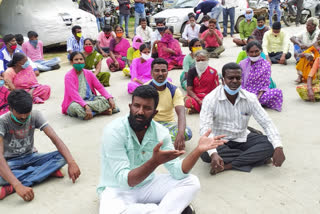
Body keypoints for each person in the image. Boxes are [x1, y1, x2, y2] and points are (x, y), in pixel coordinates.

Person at [97, 84, 226, 214]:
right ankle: (166, 209)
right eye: (137, 106)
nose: (140, 111)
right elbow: (124, 180)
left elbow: (177, 171)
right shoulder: (114, 131)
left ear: (155, 112)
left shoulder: (161, 132)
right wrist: (154, 162)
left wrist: (198, 150)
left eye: (147, 108)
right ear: (130, 107)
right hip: (117, 189)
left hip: (147, 184)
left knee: (192, 182)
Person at [200, 62, 286, 175]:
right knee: (205, 155)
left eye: (238, 78)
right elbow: (205, 129)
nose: (235, 81)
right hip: (219, 140)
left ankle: (227, 166)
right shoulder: (210, 99)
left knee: (270, 145)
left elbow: (266, 122)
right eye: (230, 78)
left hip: (242, 136)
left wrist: (278, 147)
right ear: (223, 80)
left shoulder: (250, 98)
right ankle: (256, 158)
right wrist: (214, 153)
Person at [0, 89, 81, 201]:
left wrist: (72, 162)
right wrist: (18, 185)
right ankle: (45, 172)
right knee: (1, 175)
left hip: (31, 156)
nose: (23, 118)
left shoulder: (35, 115)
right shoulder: (2, 122)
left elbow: (55, 138)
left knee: (63, 157)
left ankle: (11, 187)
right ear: (10, 109)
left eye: (26, 114)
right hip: (10, 162)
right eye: (19, 115)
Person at [148, 58, 192, 150]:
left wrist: (180, 134)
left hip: (168, 125)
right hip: (149, 124)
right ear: (151, 72)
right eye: (157, 70)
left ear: (167, 72)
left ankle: (156, 143)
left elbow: (181, 113)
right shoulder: (145, 89)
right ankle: (165, 142)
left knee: (187, 132)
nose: (160, 74)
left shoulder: (174, 90)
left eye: (163, 71)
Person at [62, 52, 118, 120]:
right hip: (75, 102)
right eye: (76, 60)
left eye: (81, 59)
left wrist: (109, 98)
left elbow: (99, 87)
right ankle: (101, 112)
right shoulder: (68, 76)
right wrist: (85, 106)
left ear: (84, 61)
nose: (79, 61)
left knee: (110, 100)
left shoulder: (89, 73)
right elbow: (73, 94)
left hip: (90, 99)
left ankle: (92, 113)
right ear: (71, 62)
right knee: (76, 108)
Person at [239, 41, 283, 111]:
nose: (254, 54)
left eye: (256, 51)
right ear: (247, 53)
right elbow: (240, 81)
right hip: (245, 92)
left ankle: (254, 103)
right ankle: (251, 103)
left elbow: (265, 84)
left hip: (260, 93)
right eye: (251, 52)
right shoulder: (242, 64)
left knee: (277, 92)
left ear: (261, 51)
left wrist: (257, 98)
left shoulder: (266, 64)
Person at [185, 50, 219, 114]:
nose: (200, 62)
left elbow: (216, 90)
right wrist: (198, 100)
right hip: (195, 97)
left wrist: (206, 99)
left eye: (203, 60)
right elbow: (189, 89)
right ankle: (204, 109)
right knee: (187, 101)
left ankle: (197, 109)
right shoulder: (192, 71)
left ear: (207, 60)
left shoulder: (213, 72)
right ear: (195, 60)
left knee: (216, 102)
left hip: (209, 97)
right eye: (198, 60)